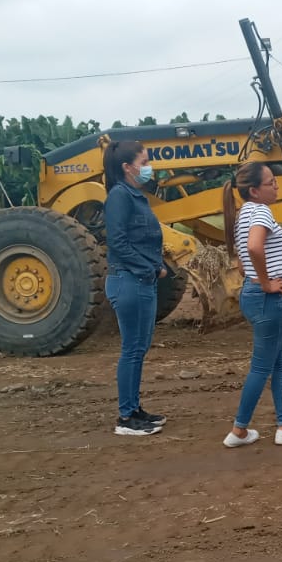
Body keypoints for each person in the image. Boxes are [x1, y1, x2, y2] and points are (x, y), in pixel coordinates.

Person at [221, 162, 282, 449]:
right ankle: (239, 430)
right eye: (271, 182)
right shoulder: (261, 211)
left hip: (256, 297)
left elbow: (243, 260)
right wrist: (266, 283)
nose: (276, 185)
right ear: (254, 190)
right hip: (266, 298)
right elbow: (253, 248)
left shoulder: (244, 214)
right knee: (261, 366)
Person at [103, 139, 168, 437]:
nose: (149, 167)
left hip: (141, 281)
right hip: (129, 281)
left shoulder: (135, 196)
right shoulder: (120, 196)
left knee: (138, 349)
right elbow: (117, 242)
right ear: (127, 168)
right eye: (144, 162)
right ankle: (126, 418)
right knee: (132, 350)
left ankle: (134, 408)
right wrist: (149, 268)